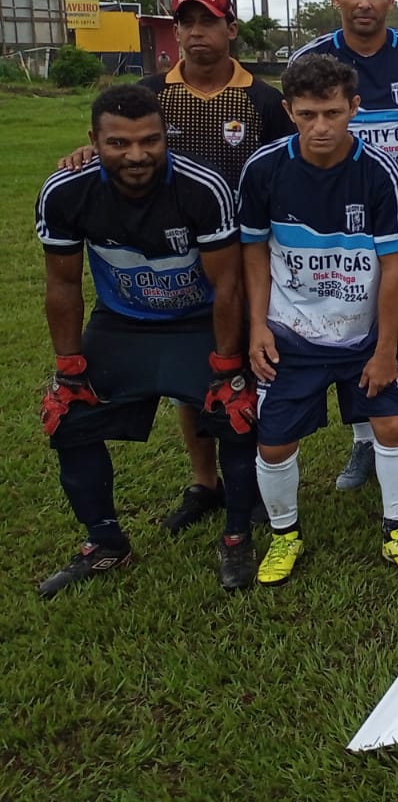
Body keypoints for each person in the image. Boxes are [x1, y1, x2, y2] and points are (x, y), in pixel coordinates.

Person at [57, 0, 294, 533]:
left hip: (245, 252)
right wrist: (87, 152)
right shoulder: (150, 93)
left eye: (208, 22)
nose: (196, 33)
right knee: (194, 379)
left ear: (231, 29)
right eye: (187, 23)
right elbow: (118, 142)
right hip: (176, 261)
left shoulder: (262, 99)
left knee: (243, 375)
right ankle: (204, 482)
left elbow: (288, 164)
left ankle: (254, 486)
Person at [35, 85, 257, 595]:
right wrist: (69, 365)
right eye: (118, 143)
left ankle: (237, 535)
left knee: (237, 411)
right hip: (122, 321)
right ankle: (106, 543)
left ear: (165, 137)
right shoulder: (65, 190)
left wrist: (228, 364)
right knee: (68, 419)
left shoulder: (203, 186)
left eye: (149, 141)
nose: (136, 155)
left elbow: (228, 285)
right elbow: (62, 285)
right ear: (94, 140)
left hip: (197, 320)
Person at [239, 54, 398, 584]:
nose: (320, 126)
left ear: (354, 107)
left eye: (332, 113)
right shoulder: (264, 168)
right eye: (306, 115)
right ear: (288, 111)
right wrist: (257, 325)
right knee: (274, 442)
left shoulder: (379, 172)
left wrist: (385, 349)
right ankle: (285, 535)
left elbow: (395, 268)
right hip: (291, 333)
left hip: (360, 333)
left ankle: (397, 531)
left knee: (393, 425)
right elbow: (253, 253)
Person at [295, 0, 398, 491]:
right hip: (341, 226)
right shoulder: (310, 59)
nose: (364, 2)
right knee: (353, 329)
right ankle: (367, 437)